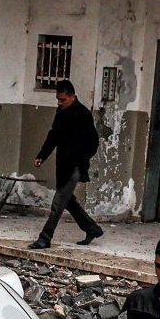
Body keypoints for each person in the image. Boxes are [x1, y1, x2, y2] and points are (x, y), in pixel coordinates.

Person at [30, 79, 102, 250]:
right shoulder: (61, 112)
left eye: (62, 99)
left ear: (72, 97)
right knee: (68, 201)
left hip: (75, 165)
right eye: (58, 99)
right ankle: (92, 228)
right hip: (63, 164)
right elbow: (54, 135)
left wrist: (81, 158)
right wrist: (42, 155)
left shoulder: (83, 114)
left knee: (58, 202)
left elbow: (93, 142)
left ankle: (45, 237)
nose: (59, 102)